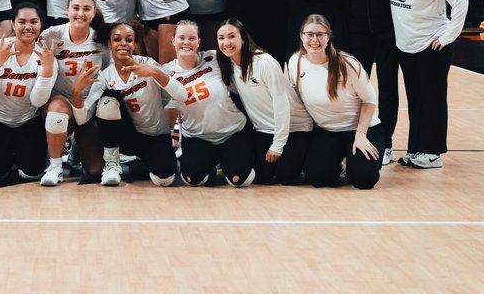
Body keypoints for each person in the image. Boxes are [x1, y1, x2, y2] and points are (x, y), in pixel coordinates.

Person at [390, 0, 468, 169]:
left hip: (432, 47)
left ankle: (432, 152)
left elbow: (461, 1)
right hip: (406, 48)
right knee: (415, 100)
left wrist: (447, 36)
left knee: (432, 99)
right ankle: (416, 149)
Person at [338, 0, 402, 166]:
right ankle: (357, 136)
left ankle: (385, 143)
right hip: (357, 31)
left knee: (387, 87)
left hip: (387, 29)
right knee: (356, 89)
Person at [81, 22, 184, 187]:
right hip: (126, 137)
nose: (123, 43)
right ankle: (112, 163)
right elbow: (82, 118)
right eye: (117, 39)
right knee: (108, 98)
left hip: (154, 135)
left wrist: (155, 73)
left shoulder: (148, 64)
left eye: (129, 39)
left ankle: (142, 165)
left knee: (164, 179)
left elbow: (181, 94)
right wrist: (76, 92)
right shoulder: (105, 76)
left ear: (135, 44)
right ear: (109, 44)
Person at [288, 14, 382, 190]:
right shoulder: (295, 61)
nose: (314, 39)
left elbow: (369, 101)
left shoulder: (347, 64)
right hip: (327, 131)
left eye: (320, 34)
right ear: (301, 36)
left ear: (328, 36)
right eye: (309, 34)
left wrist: (361, 135)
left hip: (360, 129)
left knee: (364, 179)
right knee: (317, 178)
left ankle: (361, 164)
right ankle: (338, 165)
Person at [216, 18, 312, 185]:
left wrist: (278, 145)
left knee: (286, 177)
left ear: (243, 38)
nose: (226, 42)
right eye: (221, 38)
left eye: (232, 36)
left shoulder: (265, 63)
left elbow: (282, 104)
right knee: (262, 177)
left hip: (295, 128)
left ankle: (311, 156)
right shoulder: (228, 65)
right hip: (264, 130)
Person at [163, 20, 254, 187]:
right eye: (181, 37)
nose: (186, 42)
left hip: (232, 132)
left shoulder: (214, 57)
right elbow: (168, 118)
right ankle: (211, 162)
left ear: (199, 42)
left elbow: (243, 61)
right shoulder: (166, 72)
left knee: (239, 180)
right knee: (192, 179)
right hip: (198, 137)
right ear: (173, 41)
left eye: (192, 38)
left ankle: (230, 159)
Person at [0, 2, 57, 181]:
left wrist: (46, 73)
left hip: (27, 119)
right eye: (22, 22)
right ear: (13, 24)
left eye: (34, 22)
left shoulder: (46, 56)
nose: (28, 27)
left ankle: (21, 151)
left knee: (32, 173)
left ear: (41, 25)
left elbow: (37, 102)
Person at [39, 0, 108, 186]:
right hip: (59, 99)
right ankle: (55, 166)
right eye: (75, 8)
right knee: (57, 110)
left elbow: (107, 76)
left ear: (94, 12)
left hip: (88, 103)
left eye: (87, 9)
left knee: (95, 170)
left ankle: (77, 144)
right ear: (66, 10)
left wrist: (85, 104)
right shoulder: (51, 34)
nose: (80, 14)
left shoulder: (101, 39)